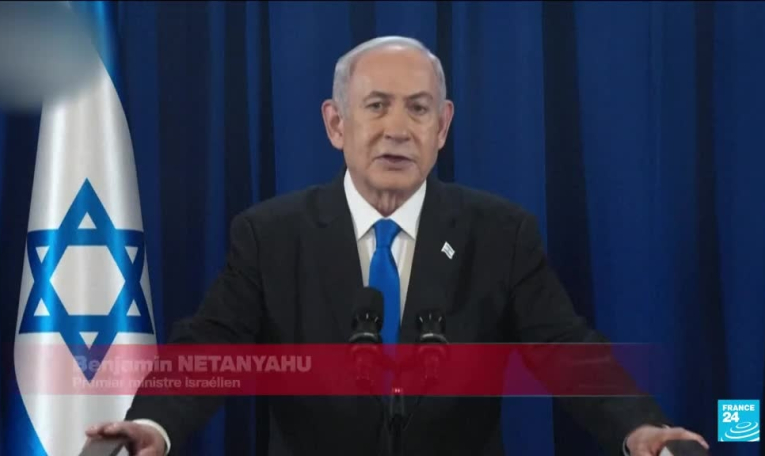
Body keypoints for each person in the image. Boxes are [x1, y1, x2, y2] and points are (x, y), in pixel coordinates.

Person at [86, 36, 709, 456]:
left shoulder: (500, 233)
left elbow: (565, 349)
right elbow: (211, 346)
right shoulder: (271, 235)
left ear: (443, 127)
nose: (397, 129)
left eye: (418, 109)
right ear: (337, 123)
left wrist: (639, 427)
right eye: (377, 106)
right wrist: (153, 425)